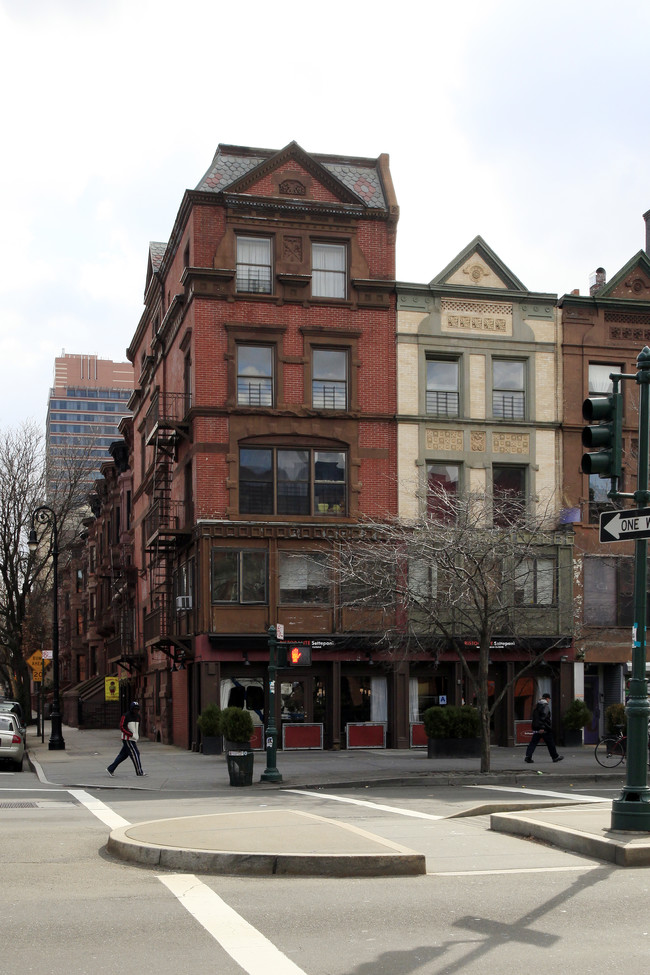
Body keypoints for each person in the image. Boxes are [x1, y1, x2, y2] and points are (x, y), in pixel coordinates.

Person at [107, 701, 147, 777]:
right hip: (127, 739)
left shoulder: (138, 717)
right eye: (134, 709)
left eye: (137, 709)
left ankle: (110, 768)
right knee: (135, 753)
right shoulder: (126, 716)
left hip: (133, 738)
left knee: (123, 755)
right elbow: (122, 726)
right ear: (131, 709)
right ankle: (139, 772)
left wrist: (136, 735)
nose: (136, 710)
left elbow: (138, 726)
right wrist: (130, 734)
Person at [525, 692, 564, 764]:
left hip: (537, 728)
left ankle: (528, 756)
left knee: (533, 743)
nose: (549, 700)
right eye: (549, 699)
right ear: (547, 698)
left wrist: (537, 727)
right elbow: (543, 717)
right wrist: (542, 727)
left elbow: (536, 718)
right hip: (545, 728)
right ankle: (555, 757)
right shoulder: (545, 706)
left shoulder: (537, 706)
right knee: (550, 743)